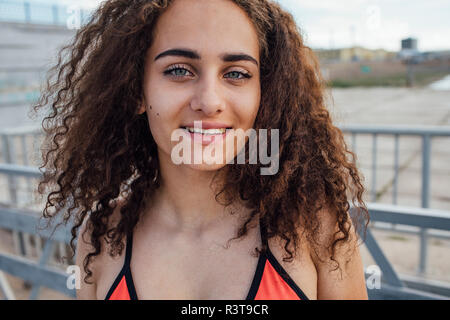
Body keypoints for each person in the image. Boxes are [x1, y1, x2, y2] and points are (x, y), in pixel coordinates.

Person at [33, 0, 369, 300]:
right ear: (137, 90)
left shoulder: (317, 227)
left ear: (264, 95)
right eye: (179, 70)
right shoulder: (101, 235)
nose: (209, 102)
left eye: (236, 73)